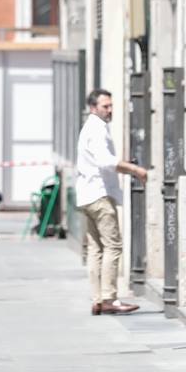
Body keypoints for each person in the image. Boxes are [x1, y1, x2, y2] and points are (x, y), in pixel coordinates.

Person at [74, 89, 147, 315]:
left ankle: (98, 299)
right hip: (99, 194)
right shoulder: (96, 128)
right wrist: (134, 169)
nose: (110, 110)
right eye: (106, 106)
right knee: (113, 246)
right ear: (93, 108)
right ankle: (109, 298)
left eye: (111, 105)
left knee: (96, 248)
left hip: (87, 195)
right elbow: (105, 161)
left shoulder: (91, 127)